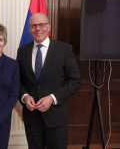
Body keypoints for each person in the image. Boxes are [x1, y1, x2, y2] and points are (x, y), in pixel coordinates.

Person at [17, 13, 81, 149]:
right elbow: (18, 81)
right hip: (32, 118)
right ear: (29, 29)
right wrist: (24, 96)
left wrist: (52, 98)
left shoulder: (64, 49)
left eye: (42, 25)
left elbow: (75, 81)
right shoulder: (22, 51)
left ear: (48, 27)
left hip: (56, 118)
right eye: (34, 26)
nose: (38, 29)